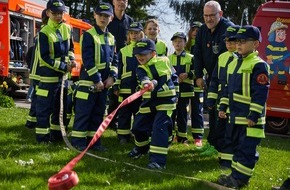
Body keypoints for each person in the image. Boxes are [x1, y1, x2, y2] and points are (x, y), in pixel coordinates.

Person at [217, 25, 270, 189]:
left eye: (243, 41)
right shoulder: (233, 63)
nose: (238, 45)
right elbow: (227, 89)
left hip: (250, 119)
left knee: (246, 149)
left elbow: (260, 92)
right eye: (237, 41)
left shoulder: (258, 65)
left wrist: (253, 114)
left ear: (255, 44)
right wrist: (223, 106)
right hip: (236, 117)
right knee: (237, 147)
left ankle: (240, 179)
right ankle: (235, 175)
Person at [71, 2, 117, 151]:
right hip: (89, 82)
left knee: (98, 114)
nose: (103, 18)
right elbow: (88, 60)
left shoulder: (111, 37)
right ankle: (78, 142)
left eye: (106, 16)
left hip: (104, 83)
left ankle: (94, 143)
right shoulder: (88, 35)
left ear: (111, 18)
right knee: (84, 113)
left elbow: (115, 60)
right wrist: (97, 80)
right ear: (95, 16)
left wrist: (112, 77)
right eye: (100, 15)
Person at [128, 38, 177, 170]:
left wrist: (153, 83)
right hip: (149, 101)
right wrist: (145, 83)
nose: (140, 56)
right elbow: (142, 77)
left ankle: (158, 162)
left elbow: (163, 76)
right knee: (137, 127)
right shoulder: (140, 67)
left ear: (153, 54)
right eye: (138, 54)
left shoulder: (163, 61)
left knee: (158, 128)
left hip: (165, 100)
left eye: (143, 53)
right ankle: (142, 148)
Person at [193, 0, 234, 154]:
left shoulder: (230, 29)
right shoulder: (202, 31)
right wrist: (198, 76)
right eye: (206, 15)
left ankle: (222, 146)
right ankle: (212, 143)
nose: (208, 19)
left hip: (227, 80)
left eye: (212, 15)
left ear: (220, 14)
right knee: (211, 110)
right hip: (211, 78)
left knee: (223, 113)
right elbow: (197, 54)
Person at [35, 0, 76, 143]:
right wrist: (64, 67)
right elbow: (45, 58)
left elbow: (71, 49)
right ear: (48, 13)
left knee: (61, 108)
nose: (58, 16)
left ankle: (57, 135)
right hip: (48, 78)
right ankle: (42, 138)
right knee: (44, 110)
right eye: (55, 13)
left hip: (63, 78)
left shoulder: (67, 28)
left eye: (60, 13)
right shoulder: (44, 32)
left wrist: (72, 60)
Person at [206, 25, 238, 162]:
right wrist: (211, 100)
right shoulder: (222, 57)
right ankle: (223, 157)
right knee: (218, 131)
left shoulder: (241, 58)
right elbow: (214, 79)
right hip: (221, 101)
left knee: (231, 133)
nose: (229, 44)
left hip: (235, 103)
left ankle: (229, 160)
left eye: (232, 40)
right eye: (226, 41)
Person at [113, 22, 144, 144]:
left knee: (139, 113)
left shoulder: (145, 50)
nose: (133, 35)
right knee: (124, 113)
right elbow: (118, 69)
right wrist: (116, 85)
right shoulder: (123, 51)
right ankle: (123, 137)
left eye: (136, 33)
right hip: (125, 88)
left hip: (139, 89)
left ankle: (138, 135)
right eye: (131, 33)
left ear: (141, 33)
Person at [107, 0, 133, 131]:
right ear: (113, 2)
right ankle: (110, 120)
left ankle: (115, 120)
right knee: (110, 91)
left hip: (124, 59)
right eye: (118, 0)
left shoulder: (130, 21)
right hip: (108, 58)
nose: (121, 3)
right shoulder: (108, 18)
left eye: (124, 0)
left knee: (119, 91)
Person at [168, 32, 194, 146]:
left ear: (185, 43)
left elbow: (198, 71)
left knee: (183, 114)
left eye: (180, 41)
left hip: (185, 90)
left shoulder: (191, 57)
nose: (177, 43)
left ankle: (183, 138)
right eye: (175, 41)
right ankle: (170, 136)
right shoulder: (167, 58)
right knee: (171, 113)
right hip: (172, 91)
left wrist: (188, 74)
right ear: (172, 44)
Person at [25, 9, 49, 129]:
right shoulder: (45, 33)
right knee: (39, 99)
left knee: (36, 98)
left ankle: (31, 122)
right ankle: (33, 123)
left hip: (36, 71)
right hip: (40, 72)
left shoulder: (39, 33)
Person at [185, 21, 204, 148]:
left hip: (197, 82)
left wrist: (199, 77)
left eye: (198, 30)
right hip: (185, 84)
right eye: (193, 30)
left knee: (197, 110)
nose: (195, 33)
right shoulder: (184, 46)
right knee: (183, 110)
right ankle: (181, 135)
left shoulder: (203, 46)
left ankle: (198, 137)